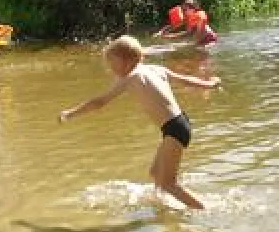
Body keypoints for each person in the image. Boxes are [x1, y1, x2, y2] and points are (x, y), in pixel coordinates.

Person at [58, 35, 222, 209]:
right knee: (155, 173)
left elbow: (99, 102)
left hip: (174, 129)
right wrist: (210, 84)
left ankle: (204, 209)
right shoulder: (155, 69)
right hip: (179, 123)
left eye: (112, 63)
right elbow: (185, 80)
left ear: (126, 61)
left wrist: (71, 113)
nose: (111, 69)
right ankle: (166, 211)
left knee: (168, 183)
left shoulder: (130, 78)